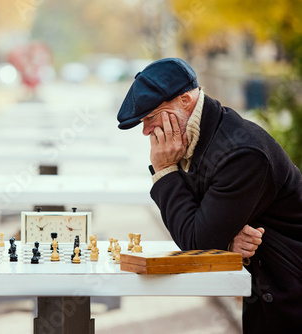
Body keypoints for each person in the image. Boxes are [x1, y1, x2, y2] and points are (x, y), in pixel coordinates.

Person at [117, 58, 302, 333]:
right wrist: (225, 239)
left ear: (184, 100)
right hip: (269, 287)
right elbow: (201, 226)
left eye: (151, 117)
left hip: (291, 291)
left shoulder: (241, 153)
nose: (146, 130)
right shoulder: (200, 136)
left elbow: (195, 241)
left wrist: (165, 170)